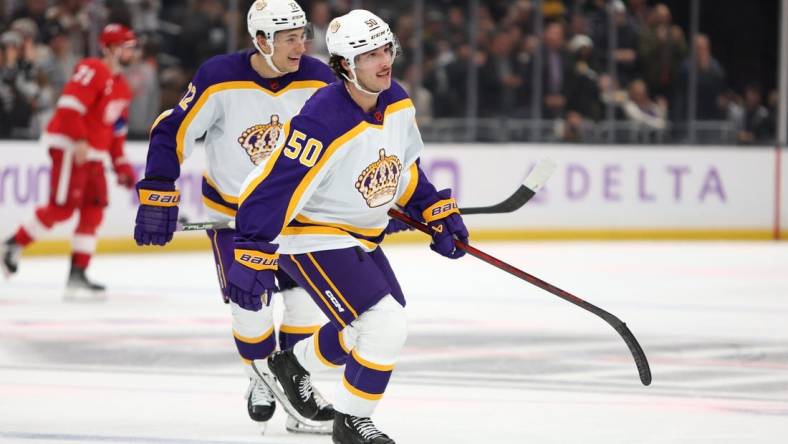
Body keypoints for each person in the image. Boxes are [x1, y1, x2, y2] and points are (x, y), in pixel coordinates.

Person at [230, 10, 469, 444]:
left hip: (359, 234)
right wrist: (251, 248)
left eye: (386, 50)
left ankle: (293, 363)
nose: (384, 62)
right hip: (312, 233)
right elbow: (276, 186)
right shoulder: (324, 118)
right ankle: (351, 422)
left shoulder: (395, 99)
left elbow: (402, 167)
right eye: (369, 55)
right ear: (344, 66)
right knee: (385, 324)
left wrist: (433, 209)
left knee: (368, 325)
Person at [132, 0, 337, 435]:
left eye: (303, 36)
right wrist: (159, 189)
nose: (301, 46)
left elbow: (346, 143)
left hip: (298, 217)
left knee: (303, 302)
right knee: (252, 308)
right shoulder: (219, 76)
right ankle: (259, 378)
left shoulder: (320, 79)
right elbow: (173, 130)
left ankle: (295, 387)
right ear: (261, 41)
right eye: (289, 39)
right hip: (235, 216)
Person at [1, 23, 137, 300]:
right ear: (110, 48)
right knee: (62, 207)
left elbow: (116, 132)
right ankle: (11, 246)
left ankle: (78, 273)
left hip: (93, 153)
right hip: (71, 147)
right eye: (127, 47)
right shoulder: (93, 69)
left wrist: (121, 165)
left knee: (93, 210)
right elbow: (70, 106)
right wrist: (79, 140)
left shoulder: (123, 88)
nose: (131, 52)